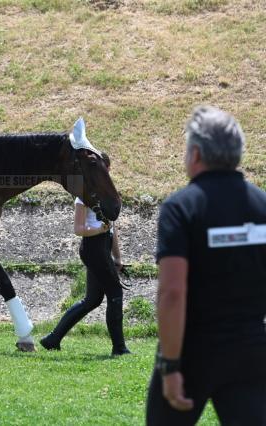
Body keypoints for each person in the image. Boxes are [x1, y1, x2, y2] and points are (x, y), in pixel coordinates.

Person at [146, 106, 266, 425]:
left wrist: (171, 366)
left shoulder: (181, 207)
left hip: (192, 352)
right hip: (250, 353)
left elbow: (172, 293)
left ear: (195, 153)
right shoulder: (262, 206)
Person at [40, 153, 130, 356]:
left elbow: (112, 229)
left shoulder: (106, 196)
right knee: (115, 293)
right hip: (92, 247)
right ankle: (119, 348)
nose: (106, 175)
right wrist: (101, 230)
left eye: (107, 171)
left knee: (92, 300)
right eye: (103, 171)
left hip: (102, 247)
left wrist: (118, 258)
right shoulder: (83, 197)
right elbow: (79, 229)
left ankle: (53, 339)